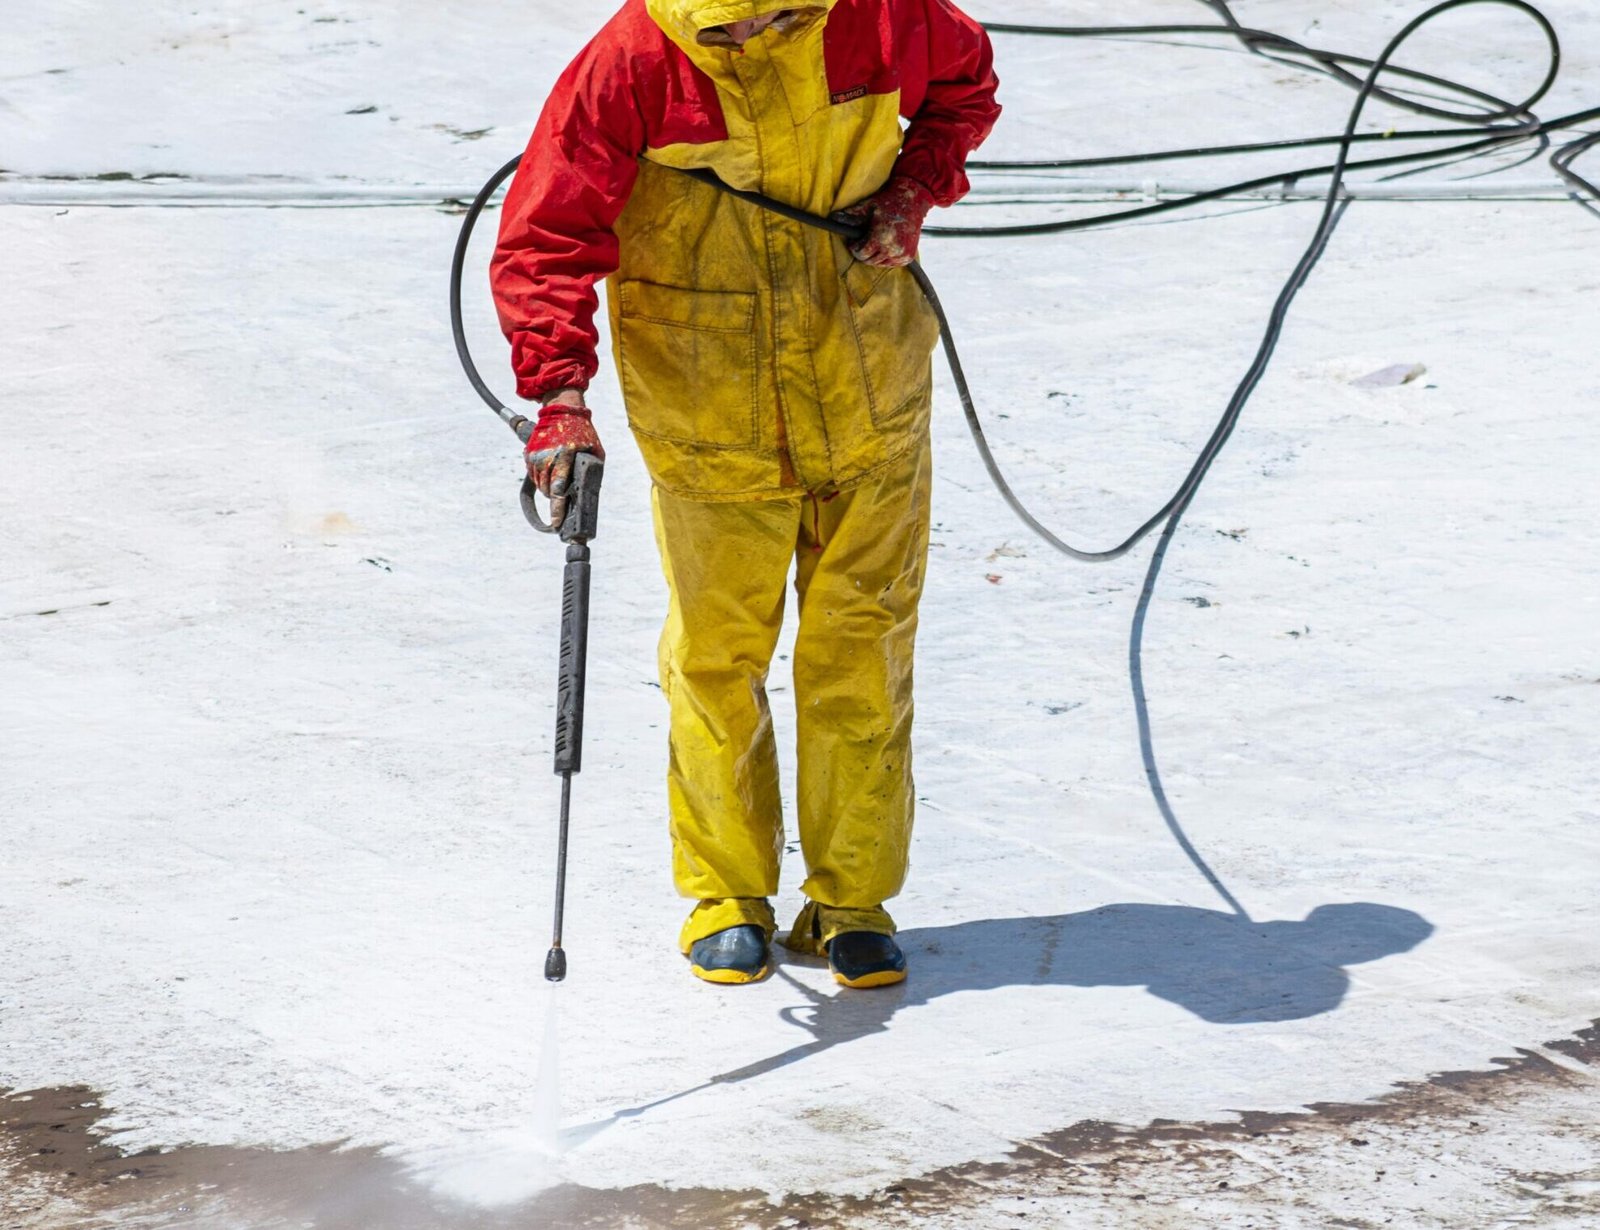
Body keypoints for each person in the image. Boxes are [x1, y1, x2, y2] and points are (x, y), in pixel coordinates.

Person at [491, 0, 999, 988]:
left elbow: (964, 85)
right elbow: (546, 234)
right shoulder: (630, 63)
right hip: (707, 403)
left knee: (865, 647)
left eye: (773, 21)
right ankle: (726, 894)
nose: (747, 44)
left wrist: (913, 188)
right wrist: (559, 396)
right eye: (720, 33)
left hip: (868, 386)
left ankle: (852, 901)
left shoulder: (879, 20)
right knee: (717, 658)